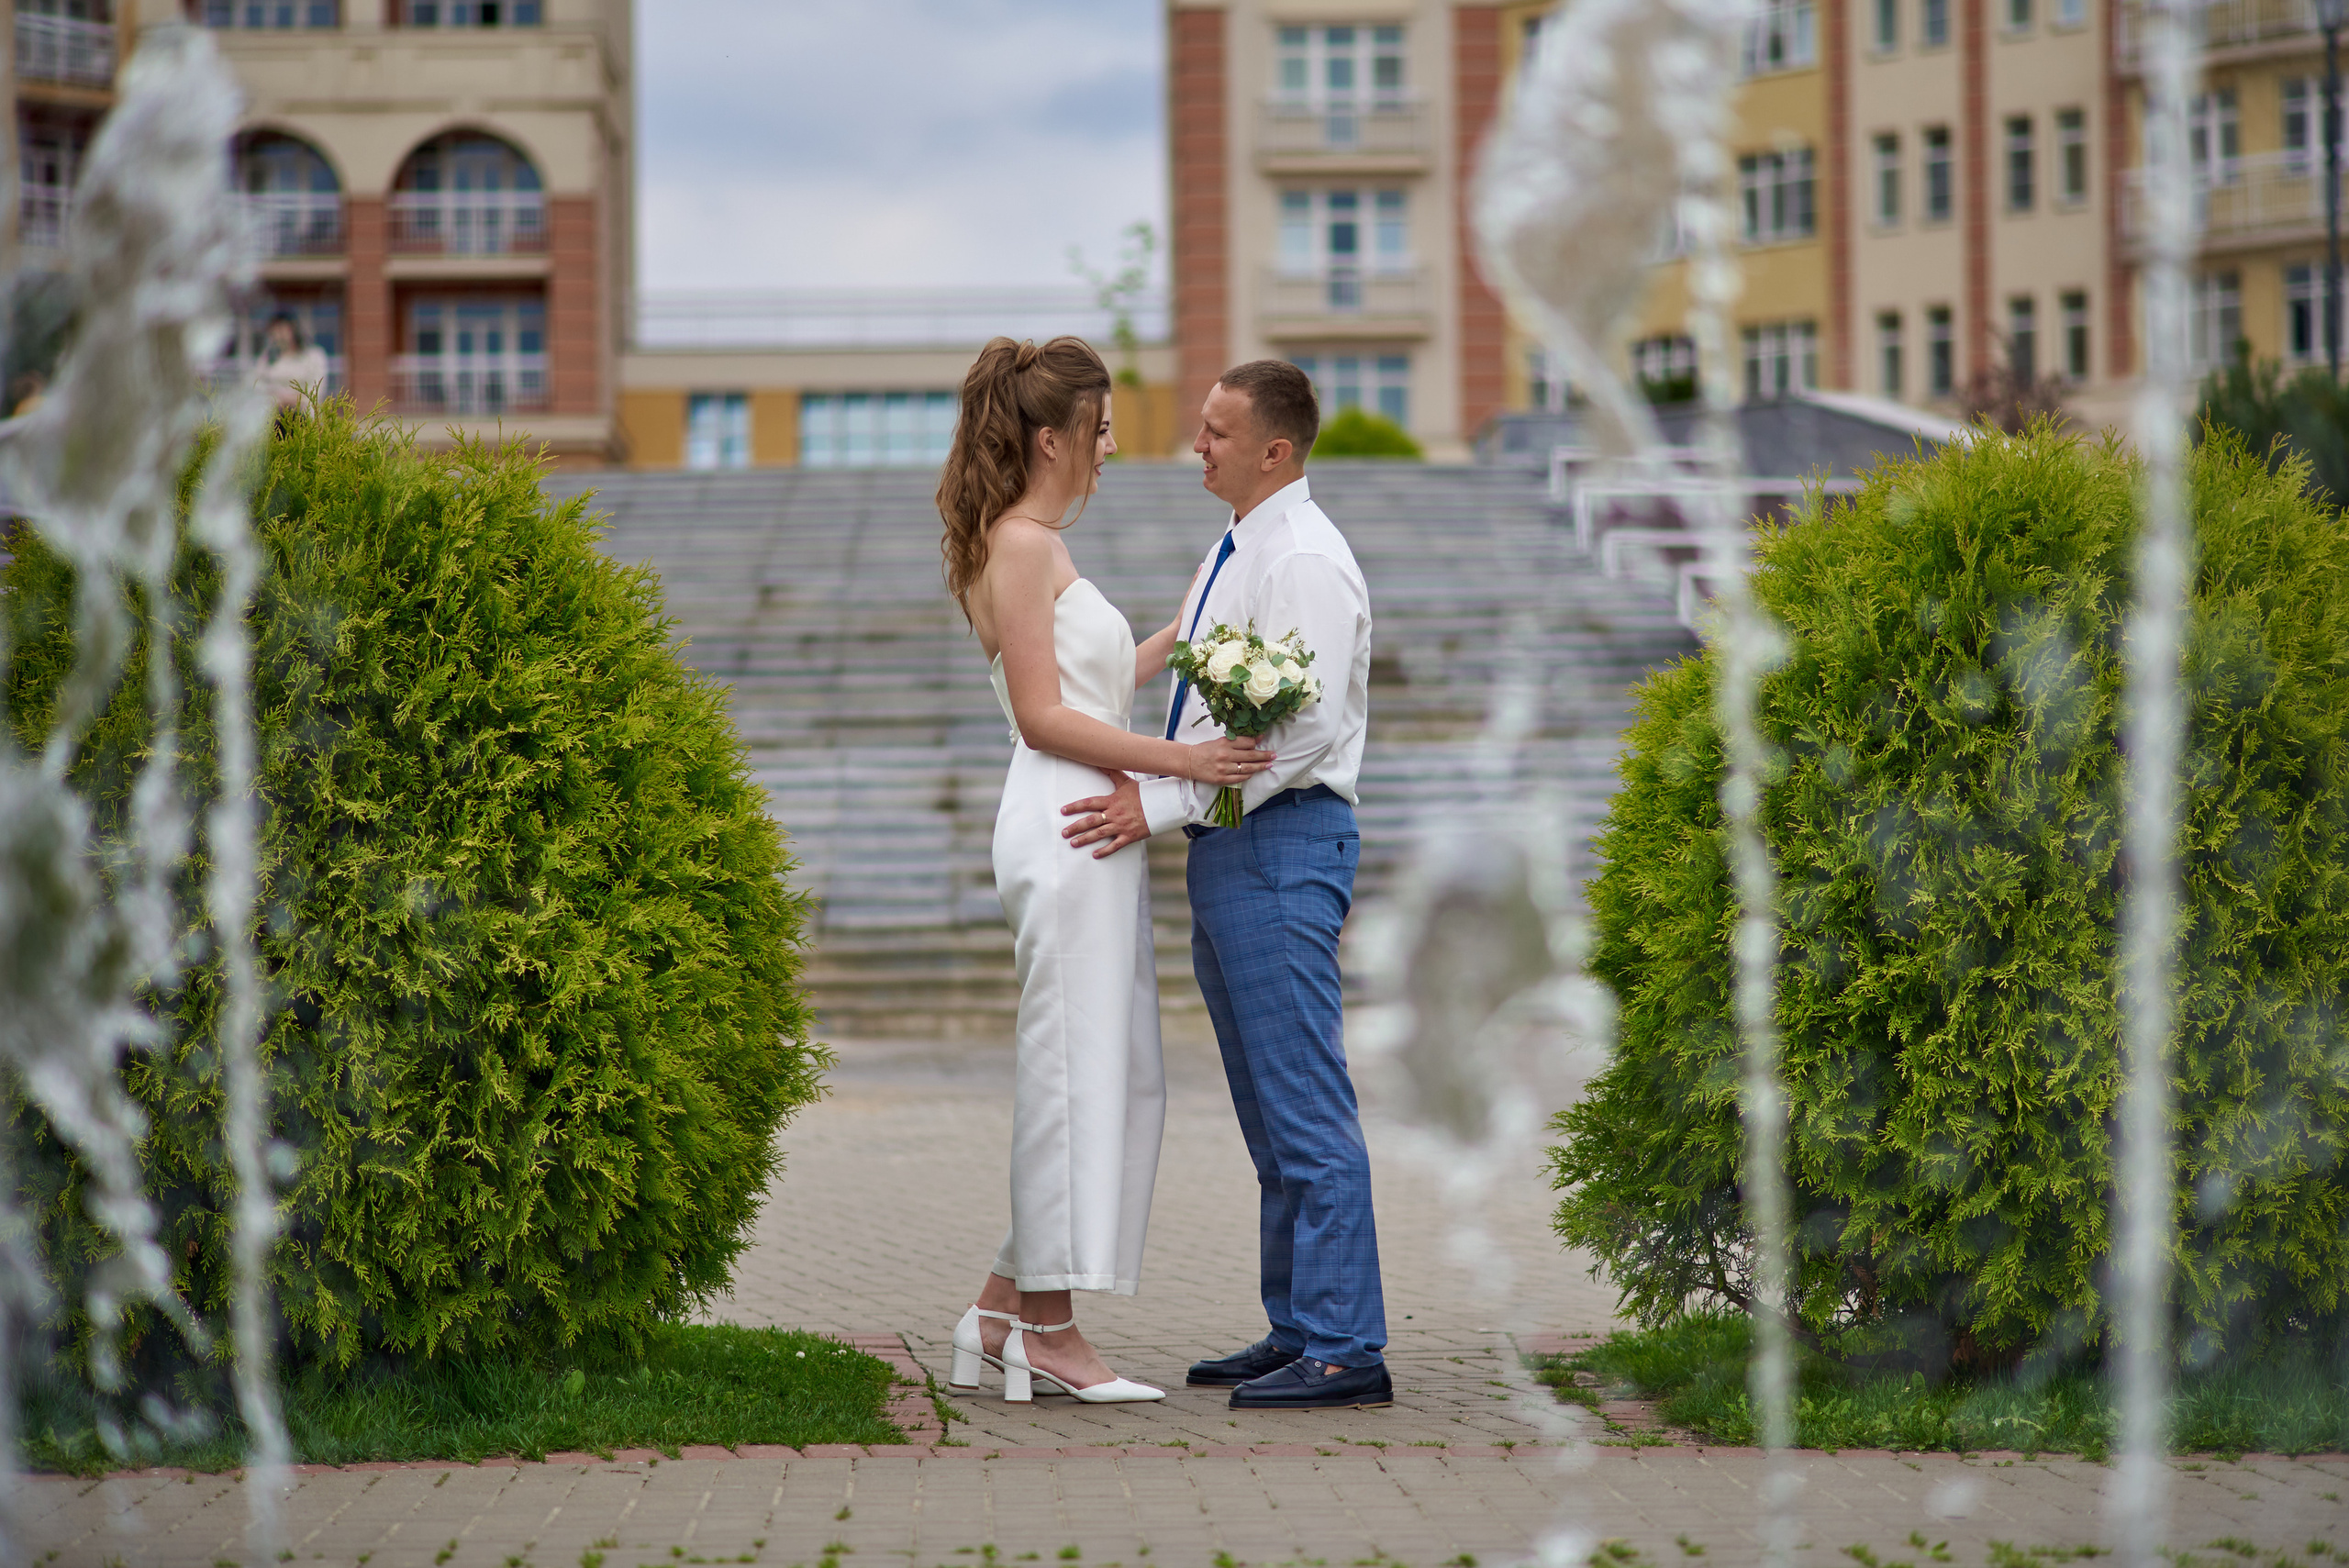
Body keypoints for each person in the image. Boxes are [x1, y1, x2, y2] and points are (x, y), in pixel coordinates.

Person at [937, 336, 1276, 1405]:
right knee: (1071, 1072)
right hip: (1068, 818)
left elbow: (1092, 684)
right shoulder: (1020, 543)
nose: (1111, 445)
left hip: (1080, 820)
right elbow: (1044, 716)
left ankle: (996, 1311)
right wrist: (1185, 762)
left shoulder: (1028, 543)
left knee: (1098, 1066)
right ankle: (1050, 1331)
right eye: (1100, 426)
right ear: (1052, 437)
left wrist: (1187, 627)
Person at [1060, 361, 1388, 1412]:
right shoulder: (1237, 545)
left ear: (1274, 450)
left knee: (1304, 1100)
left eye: (1215, 432)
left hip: (1282, 840)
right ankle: (1299, 1324)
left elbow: (1305, 731)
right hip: (1235, 844)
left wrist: (1157, 803)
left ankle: (1345, 1345)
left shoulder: (1305, 560)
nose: (1195, 445)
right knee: (1266, 1106)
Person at [252, 313, 328, 410]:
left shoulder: (313, 356)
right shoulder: (267, 358)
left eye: (282, 330)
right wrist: (278, 400)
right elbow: (258, 387)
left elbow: (317, 390)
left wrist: (295, 400)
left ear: (294, 329)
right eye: (274, 331)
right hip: (274, 412)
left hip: (305, 411)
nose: (279, 335)